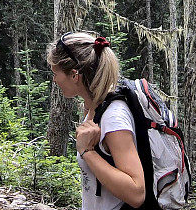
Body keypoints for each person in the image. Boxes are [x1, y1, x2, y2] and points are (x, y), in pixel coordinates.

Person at [48, 32, 145, 210]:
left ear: (74, 75)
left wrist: (87, 152)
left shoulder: (113, 118)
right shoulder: (96, 107)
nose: (54, 80)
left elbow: (137, 193)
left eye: (56, 73)